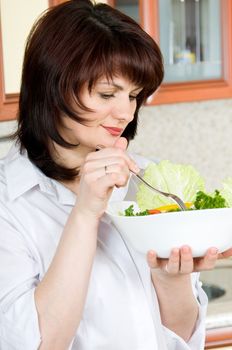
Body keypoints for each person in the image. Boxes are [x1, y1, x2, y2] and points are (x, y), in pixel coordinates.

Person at [0, 1, 231, 349]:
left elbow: (184, 338)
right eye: (107, 93)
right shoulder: (9, 201)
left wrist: (171, 280)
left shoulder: (149, 181)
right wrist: (86, 211)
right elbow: (37, 344)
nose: (124, 112)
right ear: (52, 87)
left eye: (134, 95)